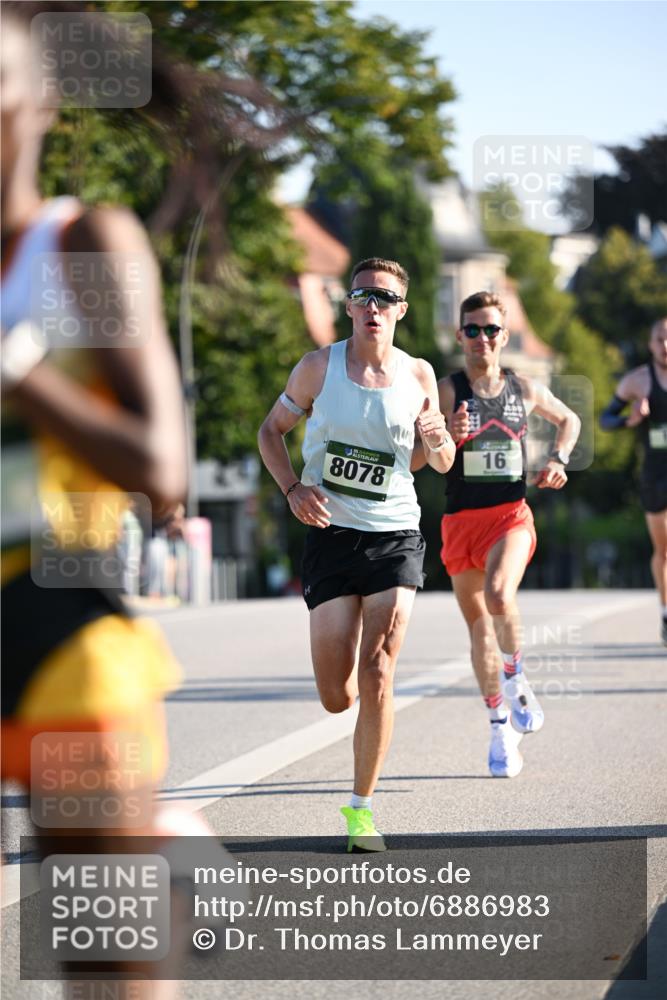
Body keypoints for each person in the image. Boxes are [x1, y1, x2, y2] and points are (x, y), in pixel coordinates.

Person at [258, 257, 455, 850]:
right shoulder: (318, 369)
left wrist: (439, 440)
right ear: (348, 306)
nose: (374, 306)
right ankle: (344, 703)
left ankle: (361, 811)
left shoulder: (419, 376)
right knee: (336, 693)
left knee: (380, 669)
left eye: (385, 298)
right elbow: (271, 432)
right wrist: (293, 488)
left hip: (395, 534)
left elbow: (435, 463)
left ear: (401, 310)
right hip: (330, 536)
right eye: (363, 295)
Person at [424, 291, 580, 779]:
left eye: (491, 329)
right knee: (477, 633)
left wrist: (558, 459)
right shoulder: (447, 391)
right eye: (472, 329)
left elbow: (569, 419)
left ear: (504, 336)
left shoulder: (524, 389)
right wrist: (446, 433)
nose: (482, 338)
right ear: (460, 336)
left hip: (510, 515)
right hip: (459, 523)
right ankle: (499, 727)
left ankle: (515, 677)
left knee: (498, 594)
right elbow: (421, 458)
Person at [600, 317, 667, 644]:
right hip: (656, 474)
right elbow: (606, 418)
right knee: (664, 549)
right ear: (650, 343)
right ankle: (666, 613)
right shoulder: (638, 381)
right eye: (659, 339)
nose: (665, 346)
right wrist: (631, 418)